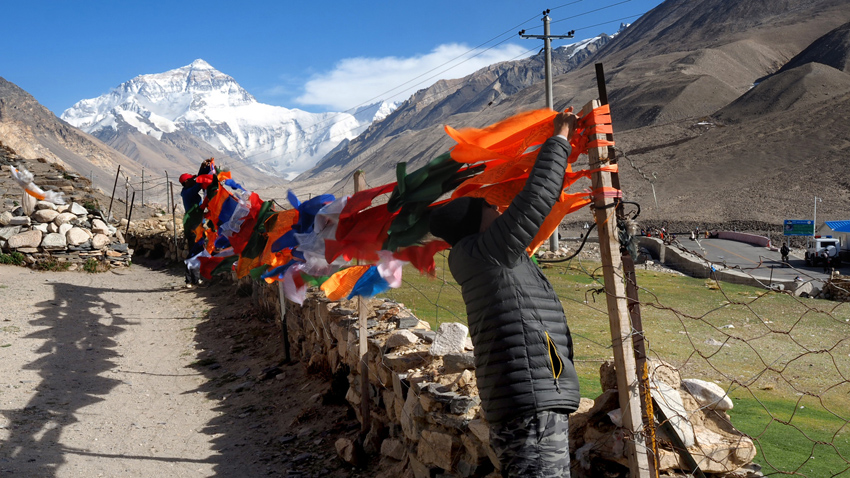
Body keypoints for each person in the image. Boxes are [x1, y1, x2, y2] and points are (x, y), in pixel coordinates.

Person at [428, 111, 580, 477]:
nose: (498, 209)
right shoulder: (489, 251)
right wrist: (559, 139)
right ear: (475, 225)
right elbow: (536, 199)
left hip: (522, 395)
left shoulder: (481, 257)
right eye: (489, 207)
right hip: (530, 400)